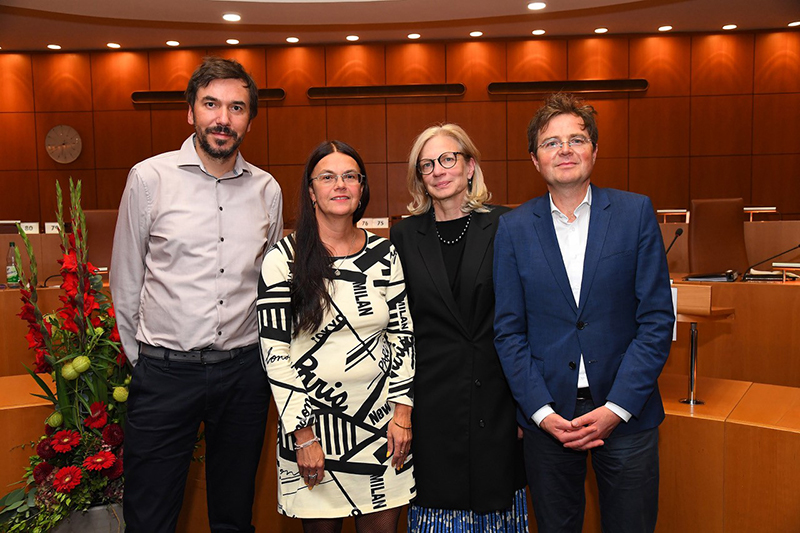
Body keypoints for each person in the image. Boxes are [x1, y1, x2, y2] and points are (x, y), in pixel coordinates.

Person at [110, 57, 283, 533]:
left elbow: (270, 283)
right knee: (150, 517)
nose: (223, 118)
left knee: (234, 515)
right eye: (211, 104)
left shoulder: (267, 189)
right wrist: (141, 360)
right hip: (165, 374)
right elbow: (125, 279)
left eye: (236, 107)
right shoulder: (149, 178)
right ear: (191, 112)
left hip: (243, 376)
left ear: (249, 119)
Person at [493, 93, 675, 533]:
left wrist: (617, 407)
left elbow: (656, 320)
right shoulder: (513, 228)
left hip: (626, 413)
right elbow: (508, 332)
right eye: (551, 143)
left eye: (577, 139)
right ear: (535, 160)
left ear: (594, 149)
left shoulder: (635, 213)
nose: (565, 150)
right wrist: (540, 413)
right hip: (549, 418)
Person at [257, 140, 415, 532]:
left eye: (350, 177)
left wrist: (403, 413)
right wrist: (304, 434)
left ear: (362, 189)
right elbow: (274, 353)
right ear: (311, 191)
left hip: (385, 429)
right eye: (327, 177)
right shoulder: (283, 259)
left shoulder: (385, 254)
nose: (339, 185)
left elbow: (403, 335)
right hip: (313, 430)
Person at [390, 124, 528, 531]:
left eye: (448, 159)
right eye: (427, 164)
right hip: (433, 402)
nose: (438, 170)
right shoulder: (404, 234)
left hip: (497, 400)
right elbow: (401, 326)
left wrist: (527, 407)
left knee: (496, 502)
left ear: (470, 166)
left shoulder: (508, 225)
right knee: (437, 506)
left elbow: (524, 321)